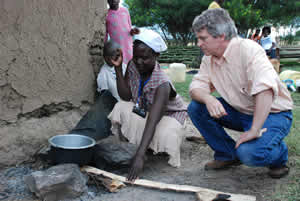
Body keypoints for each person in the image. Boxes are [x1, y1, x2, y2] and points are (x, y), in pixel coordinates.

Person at [188, 8, 293, 179]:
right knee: (197, 108)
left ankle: (279, 155)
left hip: (273, 114)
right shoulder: (209, 58)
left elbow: (265, 89)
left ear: (221, 36)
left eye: (203, 38)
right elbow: (195, 87)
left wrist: (254, 129)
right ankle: (228, 154)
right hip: (241, 111)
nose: (199, 43)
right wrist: (208, 98)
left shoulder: (249, 49)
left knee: (250, 154)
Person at [108, 28, 187, 181]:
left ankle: (148, 149)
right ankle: (141, 146)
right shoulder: (132, 65)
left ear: (156, 56)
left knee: (164, 134)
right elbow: (126, 96)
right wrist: (118, 68)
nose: (139, 62)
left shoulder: (163, 83)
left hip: (169, 116)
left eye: (144, 58)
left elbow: (153, 121)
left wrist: (139, 156)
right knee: (121, 106)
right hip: (147, 110)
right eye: (136, 57)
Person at [70, 40, 125, 141]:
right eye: (112, 55)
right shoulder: (103, 74)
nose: (116, 57)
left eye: (118, 54)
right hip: (115, 108)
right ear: (105, 57)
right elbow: (105, 99)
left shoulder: (125, 66)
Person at [105, 0, 140, 65]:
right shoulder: (106, 15)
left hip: (128, 46)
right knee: (119, 65)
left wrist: (134, 31)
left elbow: (130, 29)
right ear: (107, 1)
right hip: (116, 47)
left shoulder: (125, 11)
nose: (113, 1)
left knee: (131, 65)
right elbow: (105, 35)